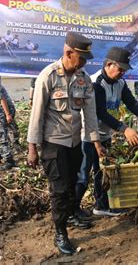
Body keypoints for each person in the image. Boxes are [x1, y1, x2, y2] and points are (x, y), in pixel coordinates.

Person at [27, 32, 106, 255]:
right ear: (68, 53)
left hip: (74, 142)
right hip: (53, 143)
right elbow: (37, 114)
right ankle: (60, 233)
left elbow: (90, 114)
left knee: (72, 184)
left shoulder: (83, 79)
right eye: (80, 58)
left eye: (85, 59)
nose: (83, 63)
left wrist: (96, 142)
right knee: (59, 191)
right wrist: (32, 148)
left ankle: (71, 216)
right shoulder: (48, 76)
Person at [74, 47, 138, 218]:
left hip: (105, 135)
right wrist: (124, 129)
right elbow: (100, 112)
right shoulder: (96, 83)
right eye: (120, 69)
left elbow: (131, 103)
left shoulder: (120, 83)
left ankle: (101, 206)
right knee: (83, 175)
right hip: (88, 136)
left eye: (124, 70)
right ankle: (72, 211)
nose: (122, 73)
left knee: (102, 172)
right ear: (108, 65)